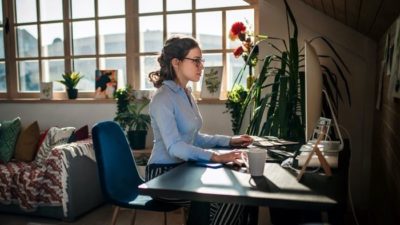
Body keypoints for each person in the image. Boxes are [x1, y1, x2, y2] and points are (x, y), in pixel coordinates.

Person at [146, 35, 253, 225]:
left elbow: (195, 137)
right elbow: (175, 147)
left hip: (184, 169)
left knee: (239, 192)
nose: (201, 66)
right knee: (229, 199)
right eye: (196, 61)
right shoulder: (162, 98)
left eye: (201, 60)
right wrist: (216, 157)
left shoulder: (186, 94)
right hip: (162, 175)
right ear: (176, 62)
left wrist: (229, 141)